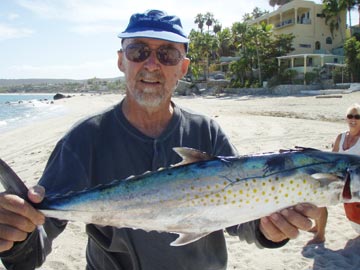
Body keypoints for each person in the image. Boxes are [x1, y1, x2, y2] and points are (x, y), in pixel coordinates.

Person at [0, 10, 321, 269]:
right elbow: (38, 239)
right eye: (139, 51)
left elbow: (239, 220)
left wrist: (268, 229)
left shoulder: (207, 131)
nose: (151, 64)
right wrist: (14, 235)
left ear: (182, 67)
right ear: (121, 61)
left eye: (167, 54)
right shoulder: (85, 140)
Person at [310, 103, 360, 244]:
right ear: (346, 118)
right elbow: (331, 158)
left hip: (355, 184)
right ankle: (320, 233)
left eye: (357, 116)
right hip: (337, 179)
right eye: (350, 116)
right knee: (318, 195)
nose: (353, 119)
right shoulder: (341, 137)